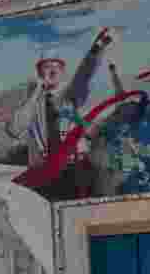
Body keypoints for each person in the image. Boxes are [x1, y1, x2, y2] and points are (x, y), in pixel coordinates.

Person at [7, 28, 114, 199]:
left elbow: (84, 74)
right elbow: (14, 130)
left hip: (74, 169)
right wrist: (36, 92)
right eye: (47, 66)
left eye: (57, 66)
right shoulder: (34, 102)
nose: (52, 70)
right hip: (45, 174)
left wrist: (96, 50)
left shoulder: (71, 95)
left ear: (63, 71)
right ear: (39, 72)